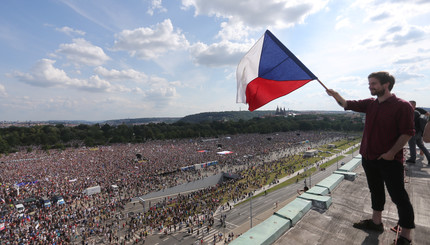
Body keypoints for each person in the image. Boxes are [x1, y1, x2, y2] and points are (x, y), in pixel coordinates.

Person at [326, 71, 415, 245]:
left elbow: (407, 133)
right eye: (369, 84)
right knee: (375, 191)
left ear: (386, 84)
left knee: (399, 197)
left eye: (373, 83)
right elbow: (346, 103)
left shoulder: (402, 106)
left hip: (389, 160)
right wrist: (335, 95)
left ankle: (405, 236)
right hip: (368, 157)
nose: (370, 87)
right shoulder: (370, 104)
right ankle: (376, 222)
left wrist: (391, 153)